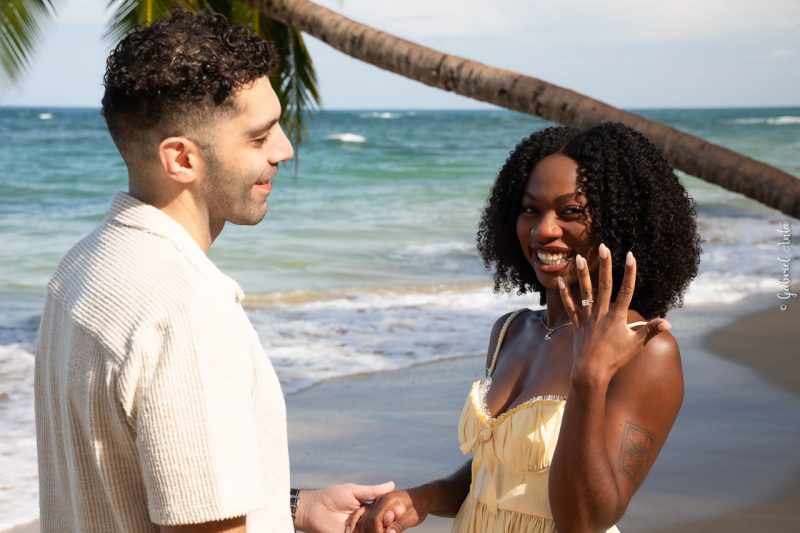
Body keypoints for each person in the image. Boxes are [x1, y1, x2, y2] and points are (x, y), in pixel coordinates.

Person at [34, 11, 391, 533]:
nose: (284, 150)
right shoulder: (187, 308)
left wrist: (289, 508)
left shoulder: (81, 267)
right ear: (181, 159)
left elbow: (135, 481)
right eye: (258, 136)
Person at [350, 123, 702, 532]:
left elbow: (585, 520)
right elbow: (498, 474)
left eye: (571, 212)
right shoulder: (511, 331)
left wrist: (589, 377)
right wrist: (423, 497)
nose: (543, 230)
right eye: (530, 209)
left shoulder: (644, 349)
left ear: (622, 223)